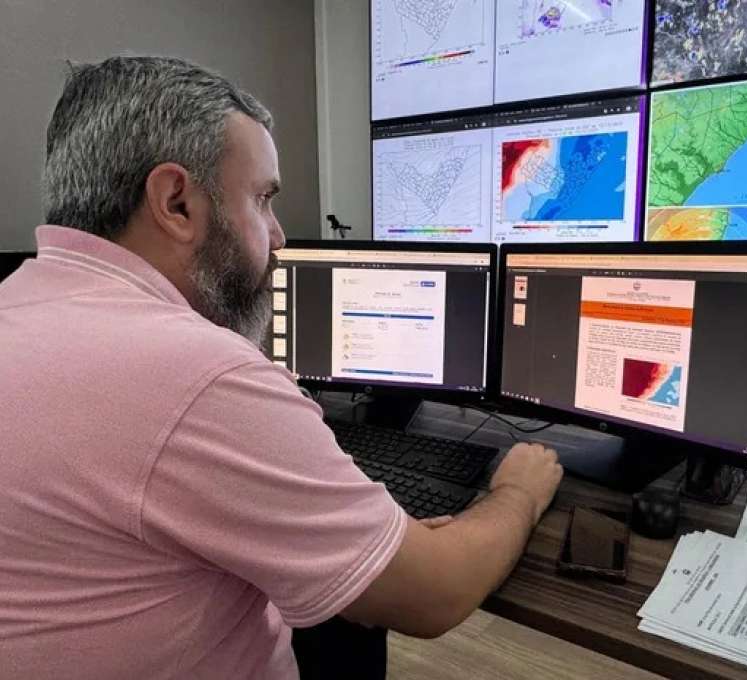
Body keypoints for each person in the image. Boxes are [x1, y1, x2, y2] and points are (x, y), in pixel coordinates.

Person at [0, 56, 563, 680]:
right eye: (263, 199)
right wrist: (519, 491)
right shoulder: (196, 376)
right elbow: (436, 593)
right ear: (176, 202)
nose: (278, 235)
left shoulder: (16, 303)